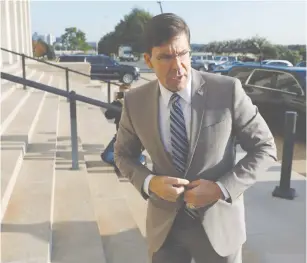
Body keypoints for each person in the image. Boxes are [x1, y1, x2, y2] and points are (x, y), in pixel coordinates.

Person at [114, 13, 277, 263]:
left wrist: (221, 189)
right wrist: (149, 182)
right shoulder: (135, 102)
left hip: (219, 230)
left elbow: (265, 148)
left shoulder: (227, 90)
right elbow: (123, 155)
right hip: (164, 231)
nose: (178, 66)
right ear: (148, 59)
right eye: (166, 57)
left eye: (183, 54)